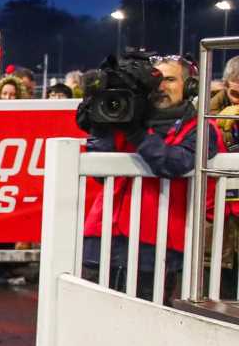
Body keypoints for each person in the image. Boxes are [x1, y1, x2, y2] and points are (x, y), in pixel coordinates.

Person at [82, 55, 226, 300]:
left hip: (158, 244)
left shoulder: (202, 129)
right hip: (103, 234)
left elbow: (175, 163)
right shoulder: (128, 116)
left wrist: (136, 134)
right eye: (155, 79)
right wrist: (99, 120)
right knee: (90, 313)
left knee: (147, 316)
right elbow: (98, 169)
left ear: (190, 86)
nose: (160, 86)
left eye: (170, 79)